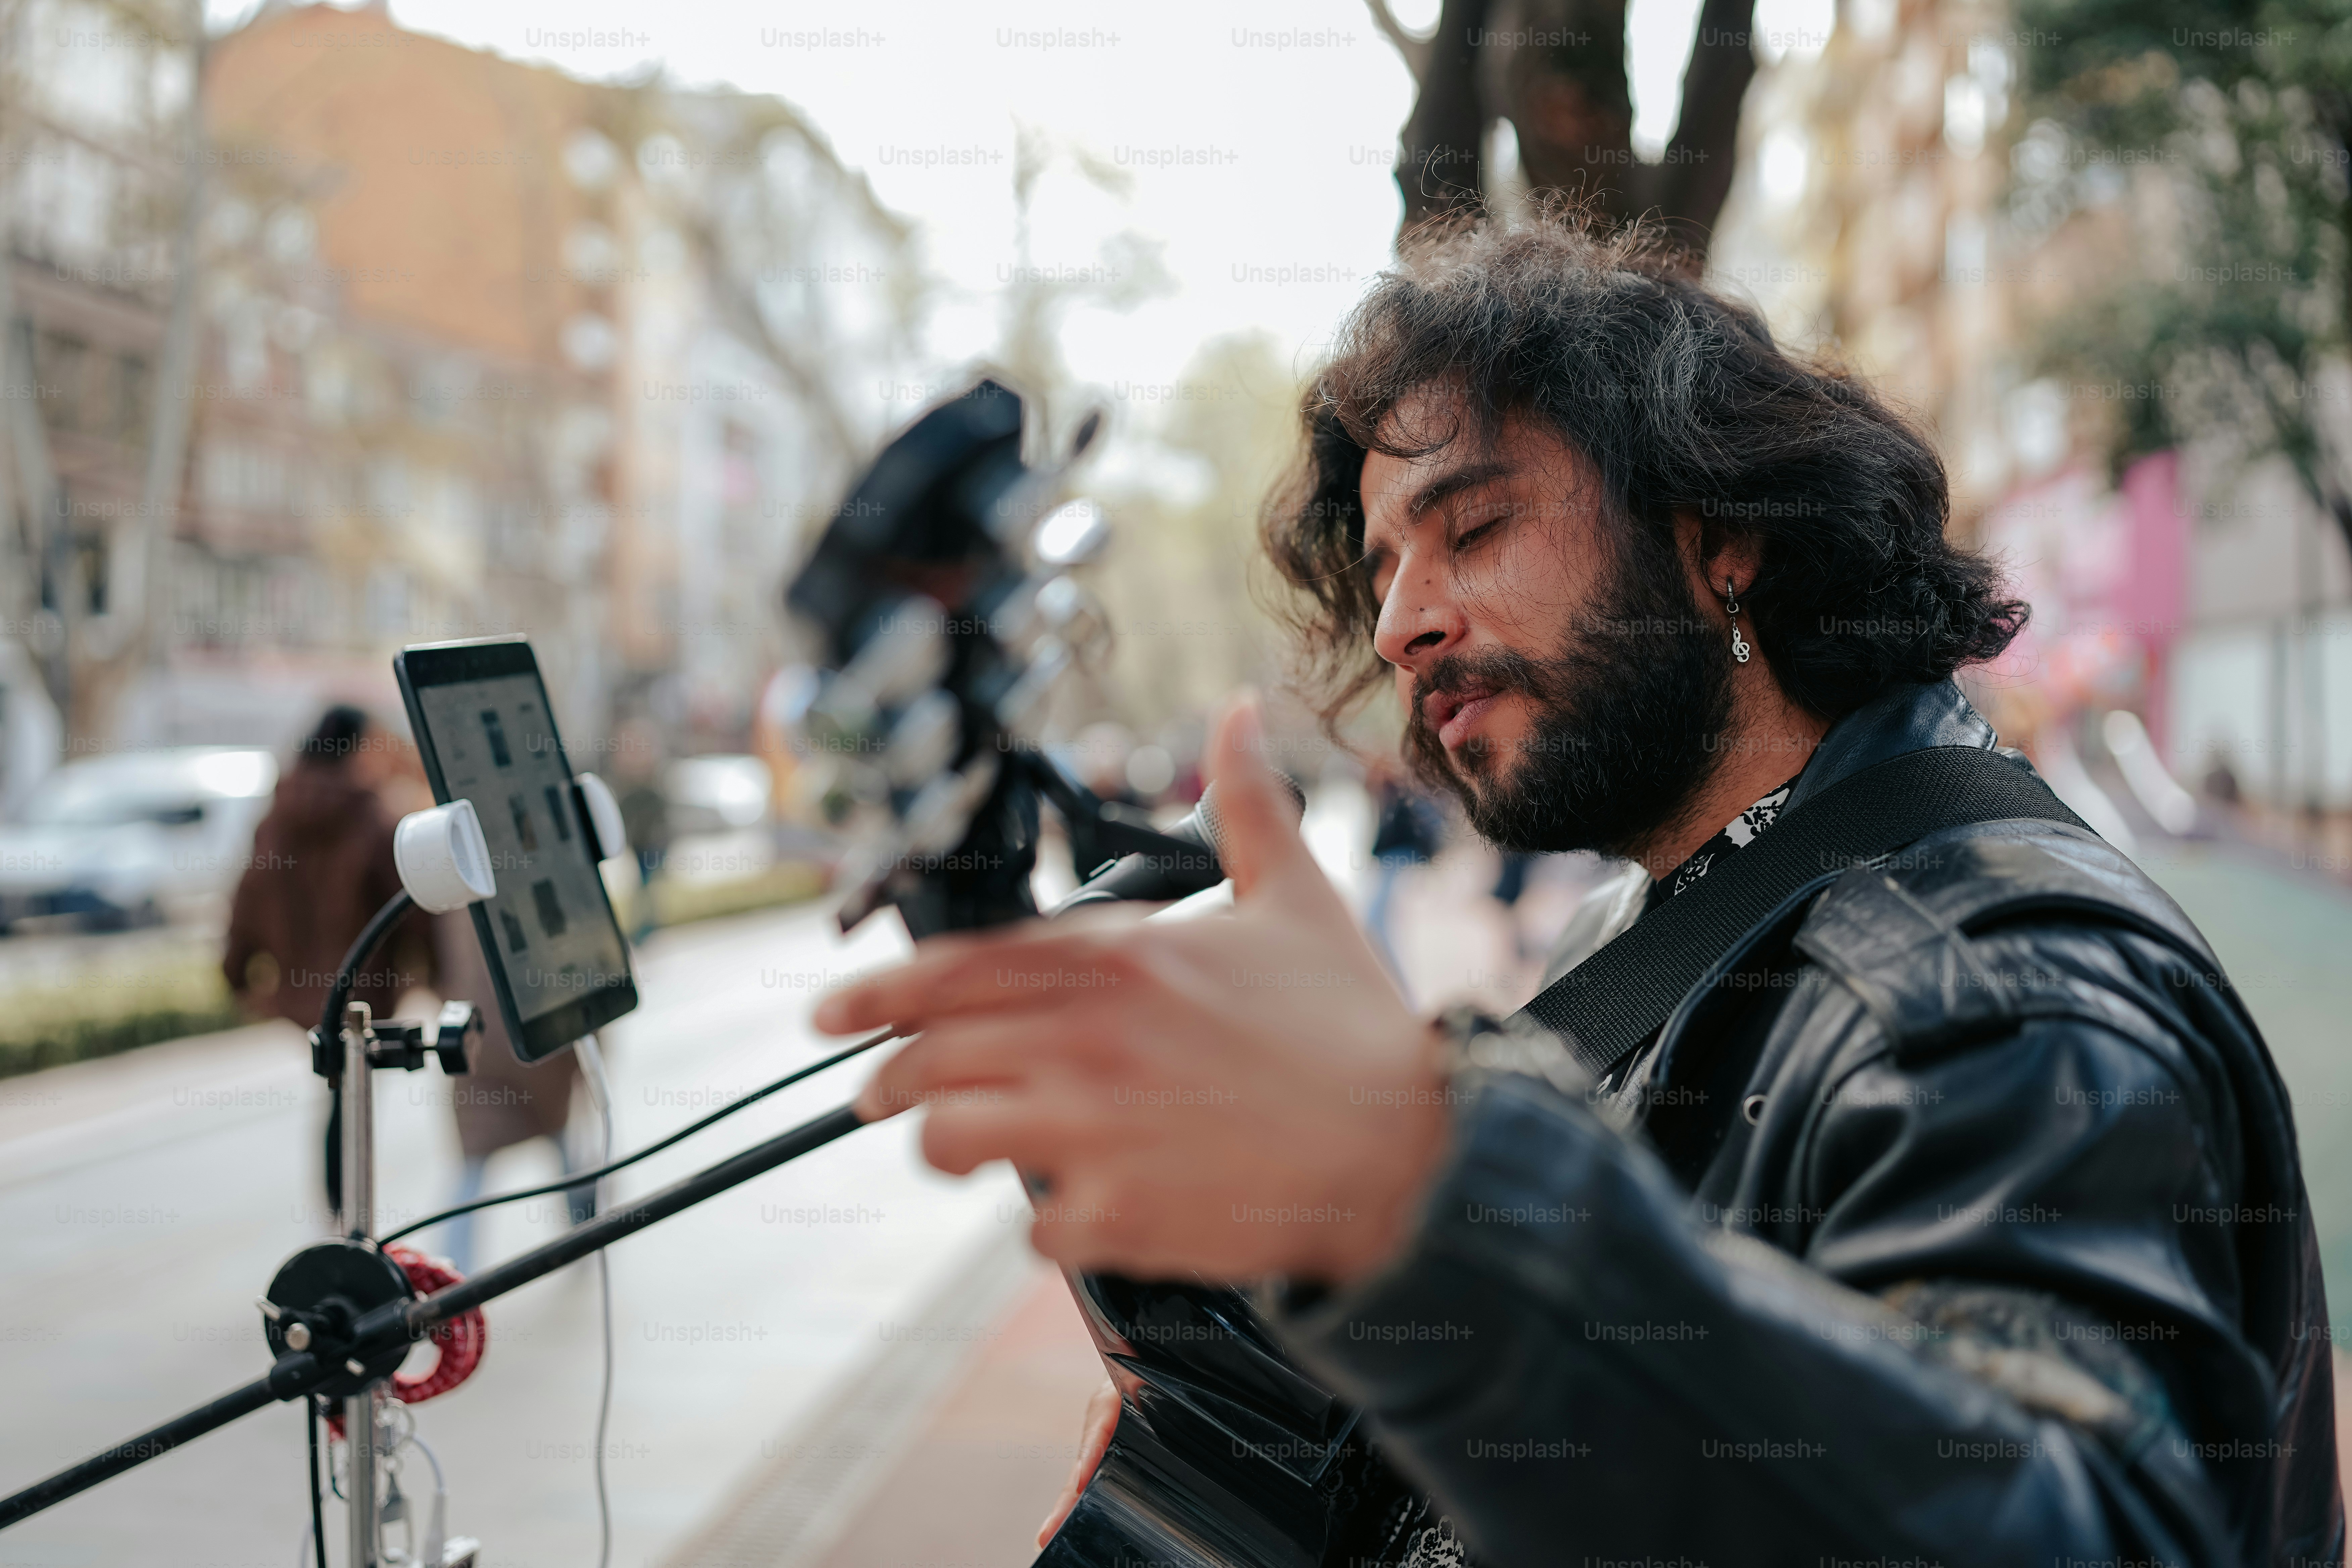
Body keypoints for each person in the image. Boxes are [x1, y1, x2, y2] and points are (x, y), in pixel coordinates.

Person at [816, 216, 2340, 1568]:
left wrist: (1414, 1172)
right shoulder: (1660, 926)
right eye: (1382, 563)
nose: (1404, 618)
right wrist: (988, 926)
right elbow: (1353, 1466)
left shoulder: (1989, 992)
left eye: (1471, 527)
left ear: (1715, 535)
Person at [224, 704, 431, 1217]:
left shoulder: (278, 815)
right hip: (364, 993)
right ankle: (350, 1224)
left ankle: (340, 1218)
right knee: (351, 1099)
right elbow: (409, 906)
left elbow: (247, 894)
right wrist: (436, 971)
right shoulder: (374, 817)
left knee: (340, 1094)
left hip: (302, 992)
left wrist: (236, 972)